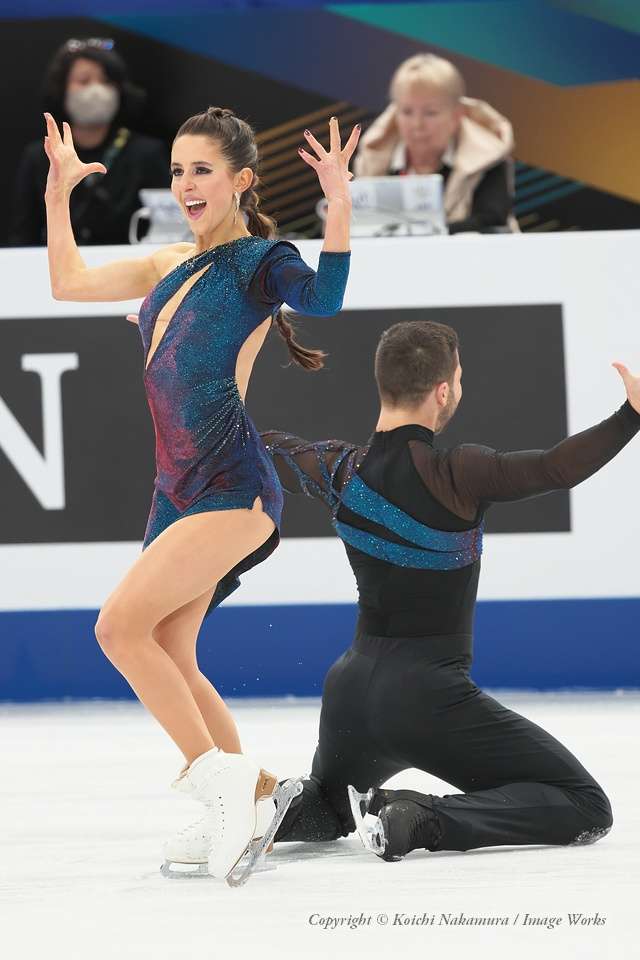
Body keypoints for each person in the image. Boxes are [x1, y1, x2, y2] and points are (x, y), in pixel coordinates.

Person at [163, 320, 639, 870]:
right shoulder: (459, 473)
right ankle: (417, 818)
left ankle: (268, 810)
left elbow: (255, 443)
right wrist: (630, 415)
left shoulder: (340, 469)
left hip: (349, 695)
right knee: (585, 805)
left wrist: (178, 362)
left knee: (327, 808)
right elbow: (556, 467)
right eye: (457, 378)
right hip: (427, 698)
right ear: (443, 390)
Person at [44, 104, 360, 881]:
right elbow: (67, 281)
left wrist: (340, 203)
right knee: (170, 651)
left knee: (118, 630)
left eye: (203, 170)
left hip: (231, 484)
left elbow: (324, 300)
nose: (186, 183)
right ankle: (253, 794)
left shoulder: (259, 261)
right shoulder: (167, 264)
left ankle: (214, 786)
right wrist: (58, 196)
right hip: (174, 491)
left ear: (241, 180)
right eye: (178, 169)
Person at [10, 38, 168, 246]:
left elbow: (168, 230)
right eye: (83, 81)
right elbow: (23, 235)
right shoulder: (39, 156)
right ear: (62, 89)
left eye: (106, 82)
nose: (96, 90)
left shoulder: (147, 153)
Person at [354, 53, 517, 234]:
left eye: (430, 113)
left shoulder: (489, 158)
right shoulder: (372, 159)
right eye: (407, 112)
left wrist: (420, 234)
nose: (417, 125)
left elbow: (491, 223)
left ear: (457, 115)